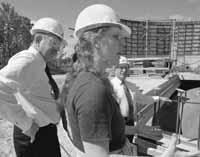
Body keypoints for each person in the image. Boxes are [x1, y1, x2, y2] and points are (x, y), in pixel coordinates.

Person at [60, 4, 200, 157]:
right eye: (115, 36)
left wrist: (134, 130)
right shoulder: (92, 91)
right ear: (96, 41)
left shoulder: (89, 81)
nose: (123, 43)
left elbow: (103, 130)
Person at [0, 17, 66, 157]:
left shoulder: (39, 63)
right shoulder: (29, 60)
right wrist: (27, 124)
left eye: (59, 45)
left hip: (44, 133)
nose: (56, 49)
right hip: (34, 136)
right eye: (53, 43)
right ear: (38, 40)